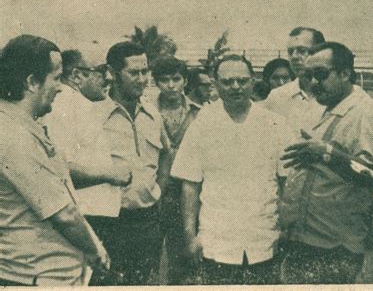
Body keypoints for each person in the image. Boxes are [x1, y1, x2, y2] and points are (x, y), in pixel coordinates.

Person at [172, 55, 292, 284]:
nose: (235, 87)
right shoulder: (202, 125)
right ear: (215, 83)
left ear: (253, 81)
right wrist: (190, 236)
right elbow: (190, 185)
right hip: (216, 241)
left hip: (264, 239)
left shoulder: (275, 124)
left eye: (242, 80)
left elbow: (287, 182)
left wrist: (285, 229)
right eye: (227, 82)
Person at [0, 34, 109, 286]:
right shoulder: (13, 136)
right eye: (57, 78)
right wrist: (96, 252)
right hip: (33, 276)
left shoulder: (24, 126)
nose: (61, 87)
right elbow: (63, 214)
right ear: (31, 82)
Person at [280, 42, 373, 284]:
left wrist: (327, 153)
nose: (314, 83)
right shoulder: (328, 107)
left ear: (345, 73)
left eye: (321, 75)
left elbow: (372, 175)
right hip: (310, 239)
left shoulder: (363, 112)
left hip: (336, 244)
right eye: (308, 76)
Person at [42, 45, 133, 285]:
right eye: (101, 71)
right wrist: (111, 174)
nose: (109, 77)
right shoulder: (64, 105)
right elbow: (60, 169)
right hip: (86, 218)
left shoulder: (80, 104)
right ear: (76, 75)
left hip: (98, 217)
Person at [92, 41, 168, 285]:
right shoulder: (93, 115)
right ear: (113, 74)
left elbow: (167, 153)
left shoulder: (153, 114)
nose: (142, 79)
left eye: (145, 71)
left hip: (147, 222)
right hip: (109, 223)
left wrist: (159, 189)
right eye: (133, 73)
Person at [150, 57, 201, 284]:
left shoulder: (199, 113)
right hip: (155, 191)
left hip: (187, 192)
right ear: (156, 82)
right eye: (164, 80)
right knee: (151, 256)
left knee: (183, 257)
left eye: (176, 79)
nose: (171, 85)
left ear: (185, 81)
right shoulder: (147, 112)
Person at [260, 27, 326, 134]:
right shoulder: (277, 97)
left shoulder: (340, 94)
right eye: (290, 52)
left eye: (302, 51)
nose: (294, 57)